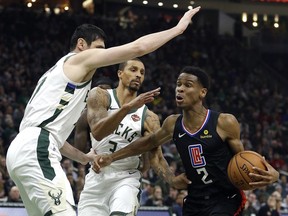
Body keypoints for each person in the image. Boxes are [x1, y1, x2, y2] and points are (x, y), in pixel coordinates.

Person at [5, 7, 201, 216]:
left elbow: (54, 135)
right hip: (37, 148)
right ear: (82, 44)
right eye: (98, 48)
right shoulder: (78, 60)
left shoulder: (57, 76)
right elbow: (138, 47)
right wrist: (177, 29)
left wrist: (84, 158)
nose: (101, 53)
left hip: (21, 150)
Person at [93, 66, 280, 215]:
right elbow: (147, 144)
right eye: (178, 84)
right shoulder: (173, 123)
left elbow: (244, 158)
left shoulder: (224, 122)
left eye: (188, 85)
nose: (180, 88)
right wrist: (112, 157)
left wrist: (273, 173)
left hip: (225, 198)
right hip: (195, 199)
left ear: (202, 93)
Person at [77, 58, 189, 215]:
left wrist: (172, 180)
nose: (138, 75)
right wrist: (127, 107)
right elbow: (98, 131)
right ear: (120, 73)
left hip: (126, 177)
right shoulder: (100, 96)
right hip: (96, 178)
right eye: (133, 70)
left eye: (142, 73)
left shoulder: (149, 117)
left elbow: (155, 157)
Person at [74, 76, 113, 153]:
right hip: (97, 157)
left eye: (106, 90)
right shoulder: (86, 114)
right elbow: (80, 148)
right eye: (99, 89)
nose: (102, 93)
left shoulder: (123, 108)